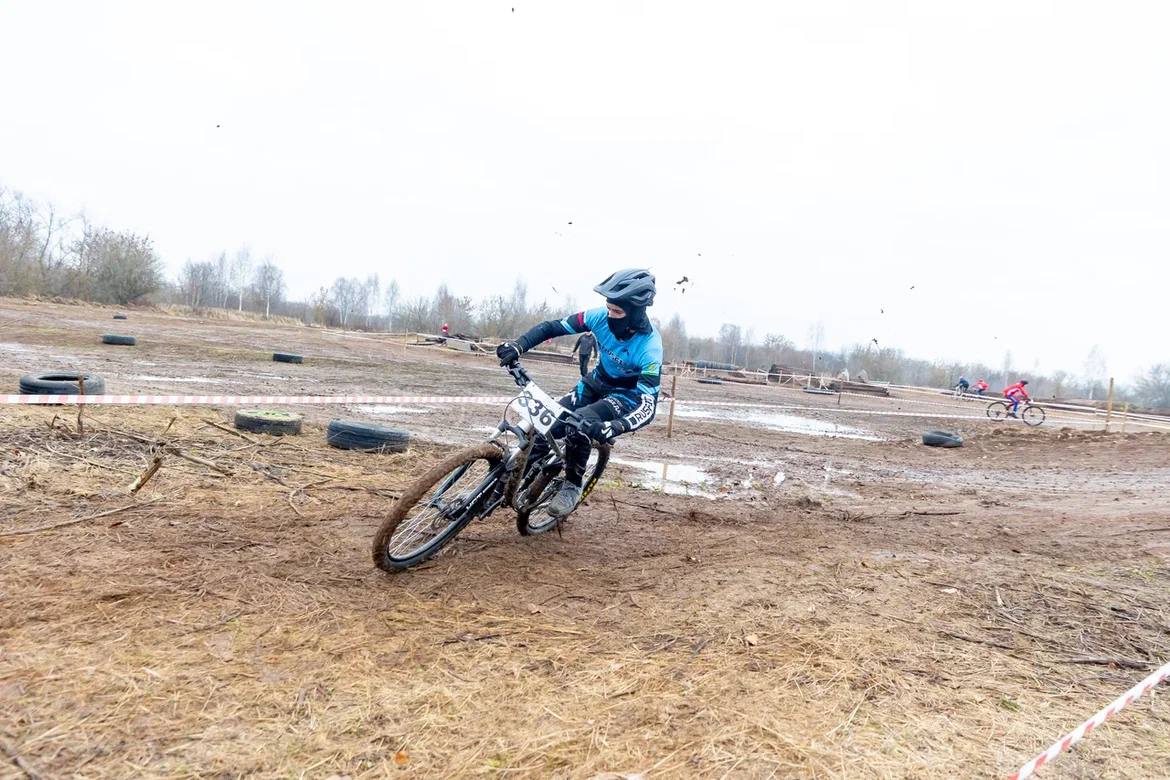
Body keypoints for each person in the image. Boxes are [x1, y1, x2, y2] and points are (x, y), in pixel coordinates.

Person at [496, 269, 662, 518]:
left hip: (624, 397)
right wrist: (519, 345)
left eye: (617, 312)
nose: (610, 316)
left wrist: (614, 427)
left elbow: (649, 406)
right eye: (608, 308)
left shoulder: (650, 348)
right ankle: (504, 486)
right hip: (595, 383)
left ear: (636, 314)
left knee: (579, 425)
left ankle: (572, 485)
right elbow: (553, 327)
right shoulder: (598, 318)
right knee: (547, 428)